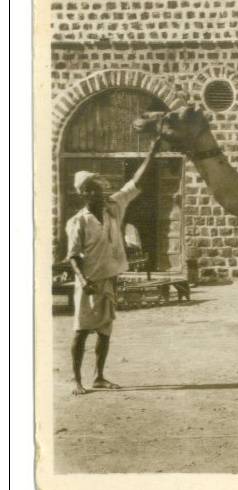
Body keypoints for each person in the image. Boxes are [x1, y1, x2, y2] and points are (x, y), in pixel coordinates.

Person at [66, 136, 163, 395]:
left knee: (105, 331)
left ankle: (98, 376)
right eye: (93, 189)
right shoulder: (79, 222)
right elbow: (73, 255)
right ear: (84, 193)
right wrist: (83, 280)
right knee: (81, 331)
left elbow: (136, 183)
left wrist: (152, 152)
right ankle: (76, 380)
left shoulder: (113, 207)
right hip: (88, 284)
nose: (100, 191)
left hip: (109, 280)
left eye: (100, 187)